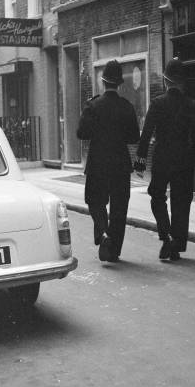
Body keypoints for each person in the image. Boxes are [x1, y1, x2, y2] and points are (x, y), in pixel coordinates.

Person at [135, 58, 195, 261]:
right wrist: (193, 157)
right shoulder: (190, 104)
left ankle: (166, 236)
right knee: (182, 201)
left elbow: (146, 133)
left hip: (162, 157)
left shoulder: (157, 103)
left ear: (165, 81)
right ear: (180, 82)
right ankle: (178, 242)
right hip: (184, 159)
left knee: (157, 195)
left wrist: (140, 160)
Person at [77, 59, 140, 262]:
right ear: (120, 83)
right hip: (121, 165)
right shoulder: (127, 107)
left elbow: (81, 133)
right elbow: (133, 138)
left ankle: (102, 233)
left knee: (95, 201)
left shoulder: (93, 105)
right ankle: (114, 252)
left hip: (98, 164)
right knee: (119, 208)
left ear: (103, 82)